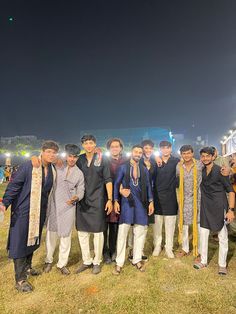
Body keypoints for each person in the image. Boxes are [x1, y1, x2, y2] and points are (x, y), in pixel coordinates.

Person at [0, 141, 59, 292]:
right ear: (42, 151)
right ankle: (20, 280)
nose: (51, 155)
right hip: (24, 210)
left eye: (54, 152)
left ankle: (27, 268)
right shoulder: (29, 166)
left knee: (32, 240)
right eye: (48, 152)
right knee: (20, 242)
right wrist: (5, 203)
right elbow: (14, 185)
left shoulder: (52, 169)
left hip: (39, 211)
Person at [43, 144, 85, 275]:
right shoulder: (58, 165)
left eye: (74, 157)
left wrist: (76, 197)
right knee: (51, 234)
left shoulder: (79, 173)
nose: (72, 159)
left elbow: (81, 189)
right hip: (54, 205)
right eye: (70, 156)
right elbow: (47, 159)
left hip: (68, 207)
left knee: (65, 236)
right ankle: (48, 260)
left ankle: (62, 263)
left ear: (77, 158)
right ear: (66, 156)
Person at [113, 145, 154, 275]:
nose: (138, 154)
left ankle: (136, 259)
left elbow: (148, 185)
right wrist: (115, 200)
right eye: (136, 151)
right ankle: (119, 262)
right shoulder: (123, 167)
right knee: (123, 232)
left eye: (140, 152)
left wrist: (151, 201)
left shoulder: (143, 169)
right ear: (131, 152)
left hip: (141, 203)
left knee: (140, 231)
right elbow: (116, 184)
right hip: (127, 202)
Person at [194, 147, 235, 275]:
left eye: (207, 156)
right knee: (203, 234)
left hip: (219, 207)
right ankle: (204, 261)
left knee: (222, 236)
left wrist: (231, 210)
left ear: (213, 157)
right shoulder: (201, 169)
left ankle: (222, 265)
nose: (205, 158)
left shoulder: (220, 171)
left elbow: (231, 191)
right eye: (203, 156)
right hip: (205, 207)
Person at [76, 135, 113, 275]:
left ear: (95, 144)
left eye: (91, 143)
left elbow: (108, 179)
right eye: (86, 143)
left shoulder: (101, 158)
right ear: (83, 145)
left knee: (98, 233)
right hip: (82, 200)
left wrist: (110, 199)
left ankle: (97, 261)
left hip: (98, 200)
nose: (89, 145)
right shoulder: (79, 159)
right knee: (82, 232)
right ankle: (86, 260)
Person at [152, 141, 179, 258]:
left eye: (167, 148)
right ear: (160, 149)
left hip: (171, 197)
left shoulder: (176, 161)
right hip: (157, 196)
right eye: (163, 148)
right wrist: (155, 156)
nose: (165, 150)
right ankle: (157, 246)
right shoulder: (155, 161)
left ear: (171, 149)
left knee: (170, 225)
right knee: (157, 225)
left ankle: (169, 247)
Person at [103, 138, 127, 264]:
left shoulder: (126, 161)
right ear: (109, 148)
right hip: (105, 196)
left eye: (117, 146)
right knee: (103, 226)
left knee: (115, 224)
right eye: (112, 146)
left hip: (120, 196)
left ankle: (113, 250)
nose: (115, 148)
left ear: (121, 148)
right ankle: (105, 252)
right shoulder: (103, 160)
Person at [176, 145, 202, 258]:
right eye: (184, 153)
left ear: (192, 153)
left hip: (198, 199)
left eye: (188, 153)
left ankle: (199, 249)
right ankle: (185, 248)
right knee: (184, 224)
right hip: (184, 199)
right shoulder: (179, 166)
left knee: (199, 224)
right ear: (181, 155)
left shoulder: (200, 165)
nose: (186, 155)